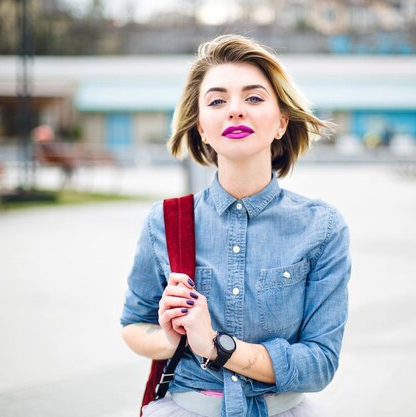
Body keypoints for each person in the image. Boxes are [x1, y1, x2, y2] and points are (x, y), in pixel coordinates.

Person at [121, 34, 352, 417]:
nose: (235, 110)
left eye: (254, 97)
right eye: (217, 100)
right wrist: (171, 338)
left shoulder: (322, 227)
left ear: (281, 122)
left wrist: (215, 345)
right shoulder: (164, 222)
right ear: (201, 128)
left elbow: (320, 363)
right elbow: (133, 326)